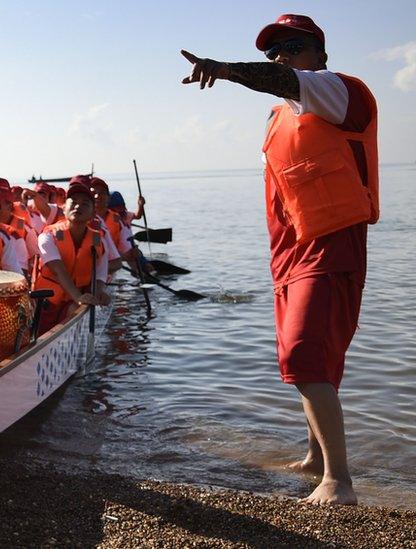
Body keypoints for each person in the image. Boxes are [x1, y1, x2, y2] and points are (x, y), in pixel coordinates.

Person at [181, 13, 378, 505]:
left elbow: (286, 81)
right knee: (312, 359)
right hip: (290, 254)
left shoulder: (340, 91)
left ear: (318, 52)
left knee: (304, 354)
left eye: (291, 47)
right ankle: (316, 459)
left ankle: (340, 481)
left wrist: (223, 69)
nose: (280, 58)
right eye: (274, 52)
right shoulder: (279, 116)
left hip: (332, 243)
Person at [31, 180, 111, 334]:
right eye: (73, 202)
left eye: (85, 204)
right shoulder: (47, 235)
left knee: (75, 308)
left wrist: (98, 294)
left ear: (93, 213)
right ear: (63, 208)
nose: (78, 206)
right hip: (44, 303)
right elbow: (58, 270)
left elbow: (100, 275)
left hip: (71, 303)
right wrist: (79, 297)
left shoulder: (98, 240)